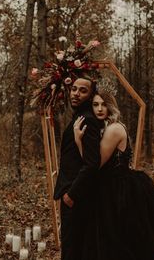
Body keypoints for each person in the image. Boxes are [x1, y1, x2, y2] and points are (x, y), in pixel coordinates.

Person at [73, 88, 154, 260]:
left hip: (118, 190)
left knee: (117, 242)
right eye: (95, 105)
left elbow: (94, 164)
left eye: (104, 104)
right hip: (113, 186)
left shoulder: (114, 129)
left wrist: (78, 141)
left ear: (111, 106)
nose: (100, 109)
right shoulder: (107, 127)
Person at [53, 77, 104, 260]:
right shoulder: (79, 116)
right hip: (73, 193)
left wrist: (71, 195)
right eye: (74, 89)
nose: (76, 93)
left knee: (73, 250)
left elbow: (92, 163)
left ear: (90, 96)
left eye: (83, 90)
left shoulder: (88, 121)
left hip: (77, 196)